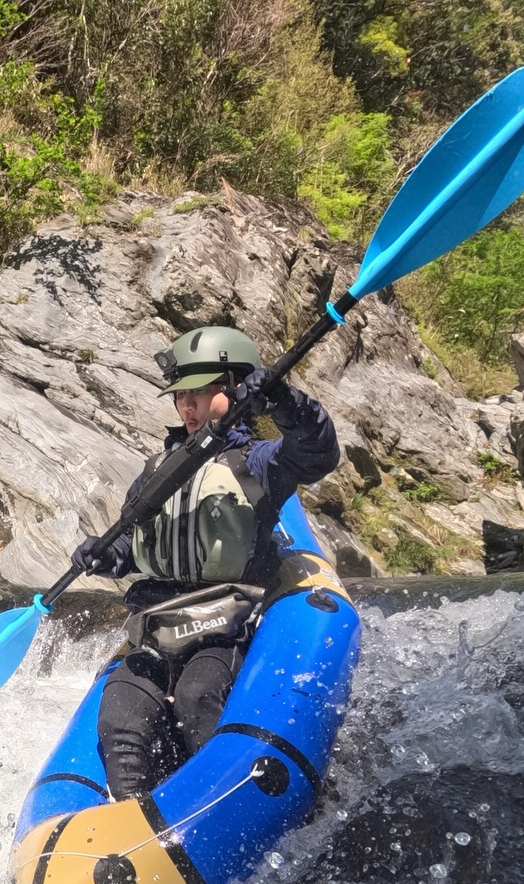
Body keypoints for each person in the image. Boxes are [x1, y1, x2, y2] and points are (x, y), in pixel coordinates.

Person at [72, 325, 340, 801]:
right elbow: (133, 544)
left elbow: (316, 451)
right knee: (119, 716)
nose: (187, 406)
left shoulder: (257, 463)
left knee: (198, 697)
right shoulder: (157, 472)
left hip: (227, 624)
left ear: (235, 388)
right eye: (181, 396)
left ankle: (219, 804)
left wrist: (283, 402)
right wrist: (105, 555)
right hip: (159, 623)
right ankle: (135, 817)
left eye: (199, 393)